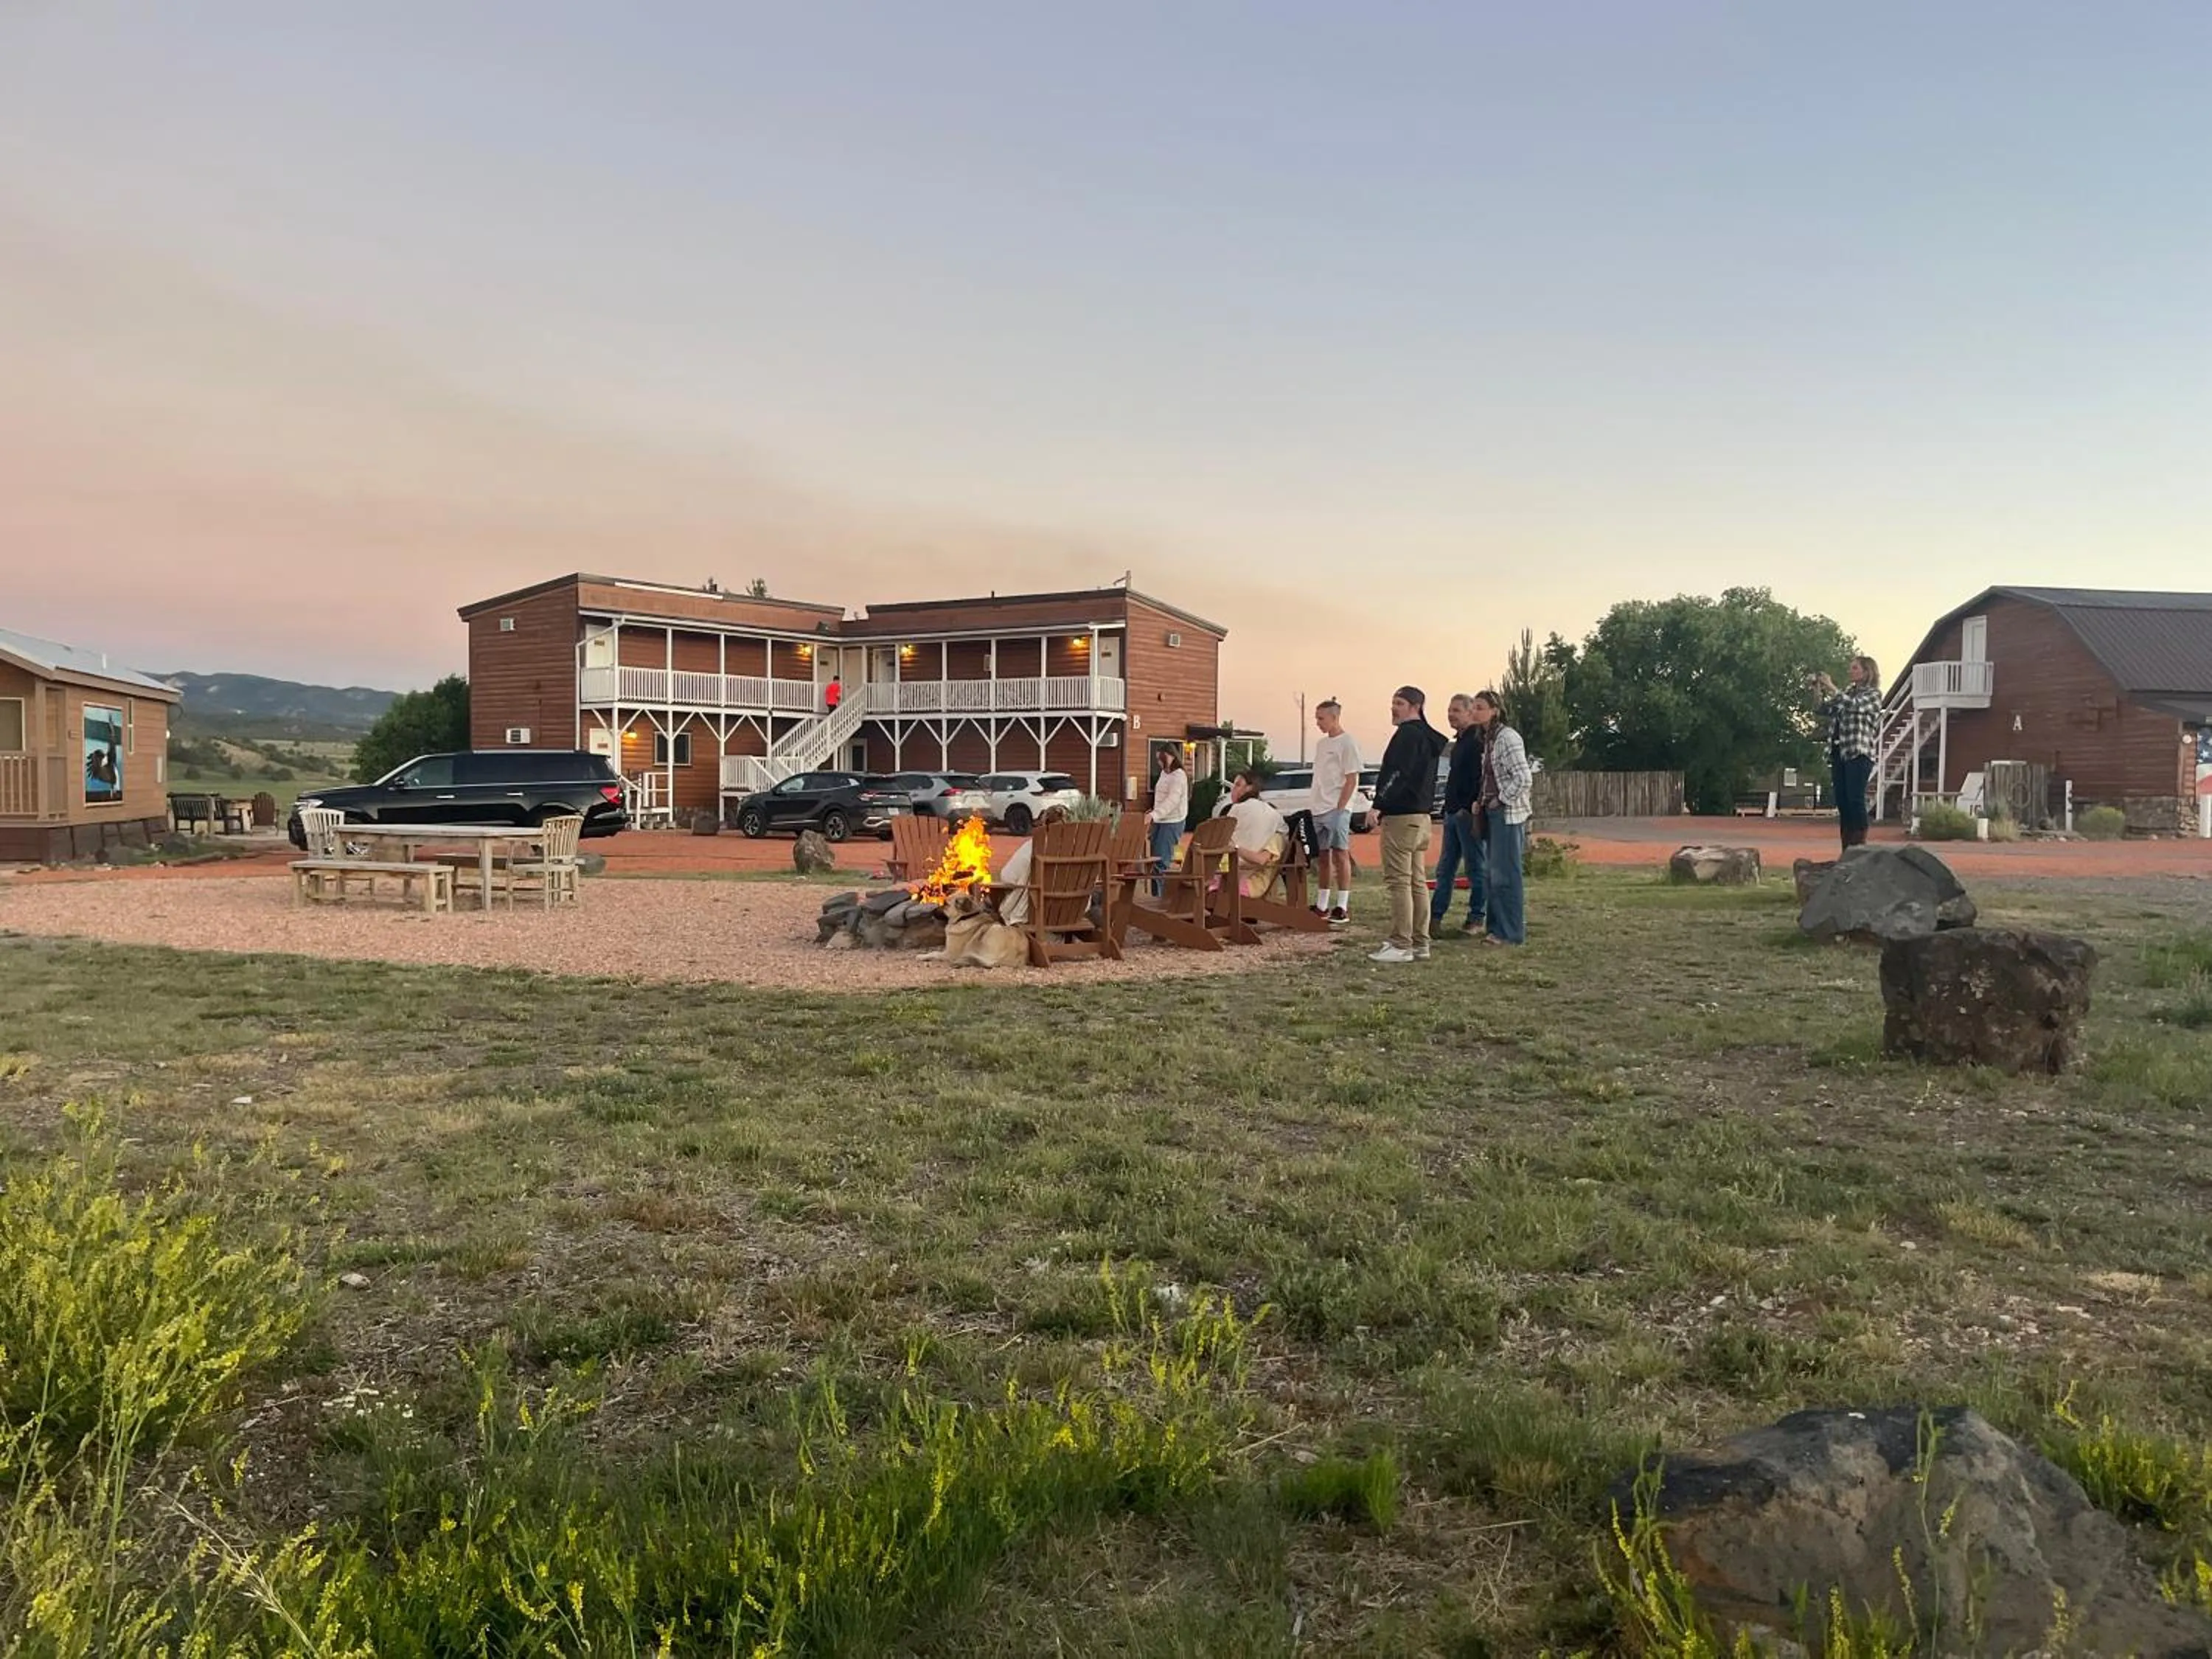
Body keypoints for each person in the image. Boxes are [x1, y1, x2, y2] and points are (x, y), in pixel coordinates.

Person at [1368, 686, 1446, 963]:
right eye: (1393, 702)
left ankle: (1401, 943)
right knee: (1417, 882)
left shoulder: (1408, 735)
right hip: (1422, 817)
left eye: (1399, 703)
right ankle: (1420, 942)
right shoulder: (1428, 739)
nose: (1393, 708)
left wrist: (1379, 803)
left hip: (1402, 817)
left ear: (1416, 706)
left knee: (1400, 882)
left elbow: (1397, 773)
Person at [1467, 691, 1531, 945]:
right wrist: (1481, 800)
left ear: (1494, 710)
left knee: (1506, 874)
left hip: (1508, 814)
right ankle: (1496, 929)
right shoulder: (1488, 739)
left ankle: (1510, 932)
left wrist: (1501, 799)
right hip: (1492, 811)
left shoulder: (1507, 738)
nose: (1475, 712)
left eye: (1480, 707)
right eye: (1474, 707)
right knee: (1495, 873)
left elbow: (1524, 778)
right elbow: (1490, 776)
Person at [1430, 694, 1487, 937]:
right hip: (1452, 812)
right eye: (1449, 710)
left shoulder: (1477, 741)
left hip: (1467, 813)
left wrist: (1471, 806)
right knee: (1445, 869)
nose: (1450, 715)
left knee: (1476, 868)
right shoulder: (1459, 742)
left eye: (1456, 710)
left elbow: (1480, 778)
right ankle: (1434, 918)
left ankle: (1477, 918)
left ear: (1470, 712)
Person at [1815, 656, 1881, 852]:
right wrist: (1818, 688)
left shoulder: (1873, 695)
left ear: (1867, 672)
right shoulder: (1847, 693)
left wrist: (1832, 686)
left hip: (1858, 752)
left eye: (1855, 668)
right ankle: (1847, 848)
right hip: (1839, 752)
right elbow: (1823, 709)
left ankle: (1859, 846)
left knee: (1855, 798)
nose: (1850, 671)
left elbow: (1855, 707)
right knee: (1842, 801)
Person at [1307, 698, 1361, 926]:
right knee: (1323, 856)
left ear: (1334, 717)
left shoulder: (1347, 743)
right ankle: (1322, 904)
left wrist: (1341, 808)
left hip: (1336, 807)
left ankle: (1342, 905)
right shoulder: (1321, 745)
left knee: (1340, 853)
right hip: (1319, 806)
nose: (1318, 723)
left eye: (1321, 718)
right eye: (1317, 718)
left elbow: (1351, 778)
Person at [1218, 768, 1288, 898]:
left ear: (1250, 788)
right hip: (1241, 876)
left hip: (1241, 880)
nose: (1233, 789)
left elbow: (1223, 842)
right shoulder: (1276, 820)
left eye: (1238, 785)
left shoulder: (1237, 810)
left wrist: (1236, 848)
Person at [1146, 747, 1189, 897]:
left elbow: (1173, 801)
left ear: (1170, 756)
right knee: (1154, 860)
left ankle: (1162, 898)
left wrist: (1154, 815)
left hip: (1172, 822)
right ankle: (1155, 895)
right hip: (1160, 820)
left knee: (1162, 861)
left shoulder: (1179, 776)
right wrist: (1153, 813)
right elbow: (1161, 797)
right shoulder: (1165, 774)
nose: (1159, 762)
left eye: (1161, 759)